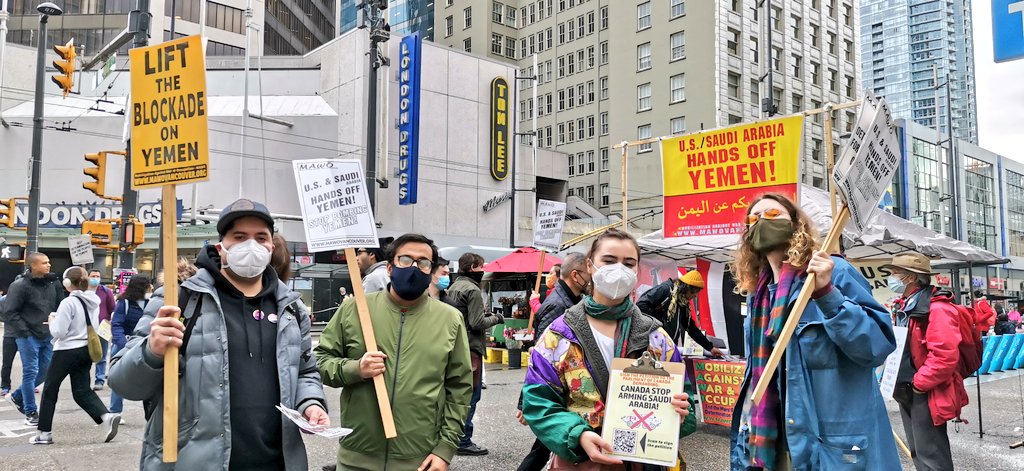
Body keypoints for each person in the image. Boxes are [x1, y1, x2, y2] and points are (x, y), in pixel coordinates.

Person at [109, 198, 328, 470]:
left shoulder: (291, 308)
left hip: (278, 462)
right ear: (220, 247)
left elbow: (305, 371)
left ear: (272, 246)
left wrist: (311, 403)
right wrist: (151, 352)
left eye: (261, 237)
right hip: (194, 461)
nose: (252, 245)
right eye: (239, 236)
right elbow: (122, 382)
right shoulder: (178, 300)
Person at [728, 193, 900, 470]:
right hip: (772, 441)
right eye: (753, 218)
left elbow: (877, 346)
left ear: (796, 225)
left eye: (773, 215)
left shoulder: (833, 273)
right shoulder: (755, 294)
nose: (761, 222)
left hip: (828, 444)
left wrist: (827, 295)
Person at [522, 229, 693, 469]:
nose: (620, 269)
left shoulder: (657, 338)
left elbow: (686, 401)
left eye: (629, 263)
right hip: (581, 463)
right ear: (590, 266)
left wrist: (681, 411)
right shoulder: (558, 336)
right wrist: (577, 435)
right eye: (609, 261)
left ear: (637, 271)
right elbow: (538, 402)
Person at [316, 233, 472, 471]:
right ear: (389, 267)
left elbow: (459, 388)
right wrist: (356, 369)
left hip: (418, 458)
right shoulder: (354, 309)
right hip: (357, 456)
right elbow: (320, 361)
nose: (415, 267)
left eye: (423, 263)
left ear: (430, 271)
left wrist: (445, 449)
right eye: (406, 260)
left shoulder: (450, 319)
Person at [885, 251, 967, 471]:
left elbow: (945, 355)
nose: (890, 278)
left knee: (931, 455)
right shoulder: (906, 305)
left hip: (924, 391)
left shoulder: (938, 308)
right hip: (908, 389)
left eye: (895, 273)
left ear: (910, 277)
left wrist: (919, 385)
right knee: (918, 452)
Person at [30, 267, 121, 445]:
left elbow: (59, 332)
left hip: (65, 351)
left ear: (66, 283)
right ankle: (107, 416)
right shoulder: (93, 300)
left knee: (50, 390)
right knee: (82, 391)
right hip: (85, 350)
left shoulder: (68, 303)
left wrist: (52, 321)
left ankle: (44, 433)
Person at [515, 252, 589, 471]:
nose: (593, 278)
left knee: (546, 445)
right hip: (556, 387)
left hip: (566, 385)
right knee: (544, 445)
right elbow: (541, 355)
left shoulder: (573, 301)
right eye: (589, 273)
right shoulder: (557, 305)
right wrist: (525, 401)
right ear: (576, 276)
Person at [447, 252, 505, 456]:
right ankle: (463, 440)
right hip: (471, 348)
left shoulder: (453, 286)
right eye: (482, 266)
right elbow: (477, 323)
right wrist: (496, 318)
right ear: (473, 268)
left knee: (456, 394)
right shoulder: (472, 289)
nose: (484, 269)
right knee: (471, 395)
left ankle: (452, 437)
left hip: (455, 347)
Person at [3, 252, 63, 426]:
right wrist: (25, 332)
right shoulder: (19, 285)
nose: (48, 265)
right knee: (30, 372)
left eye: (49, 262)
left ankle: (16, 396)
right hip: (27, 335)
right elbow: (10, 312)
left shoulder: (54, 282)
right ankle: (31, 411)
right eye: (44, 263)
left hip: (48, 334)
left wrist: (56, 323)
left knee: (45, 371)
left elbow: (61, 305)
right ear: (33, 266)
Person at [637, 271, 724, 357]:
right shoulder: (665, 290)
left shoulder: (682, 303)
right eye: (693, 295)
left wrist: (710, 347)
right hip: (652, 346)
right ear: (687, 289)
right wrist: (659, 323)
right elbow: (641, 305)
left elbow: (691, 328)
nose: (694, 297)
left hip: (667, 348)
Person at [108, 274, 152, 416]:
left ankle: (149, 411)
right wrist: (123, 344)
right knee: (118, 378)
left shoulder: (150, 302)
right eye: (148, 285)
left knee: (149, 379)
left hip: (143, 344)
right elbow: (116, 325)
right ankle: (115, 411)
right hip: (123, 344)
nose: (151, 288)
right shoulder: (124, 303)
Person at [88, 270, 116, 391]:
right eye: (93, 276)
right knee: (85, 355)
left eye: (97, 276)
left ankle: (99, 379)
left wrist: (109, 321)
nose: (95, 278)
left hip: (102, 327)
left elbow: (112, 308)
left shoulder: (106, 291)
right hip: (86, 327)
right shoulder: (83, 291)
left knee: (101, 354)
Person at [1, 286, 16, 397]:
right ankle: (5, 385)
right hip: (10, 334)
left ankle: (31, 385)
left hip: (23, 335)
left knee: (30, 364)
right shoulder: (4, 299)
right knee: (7, 362)